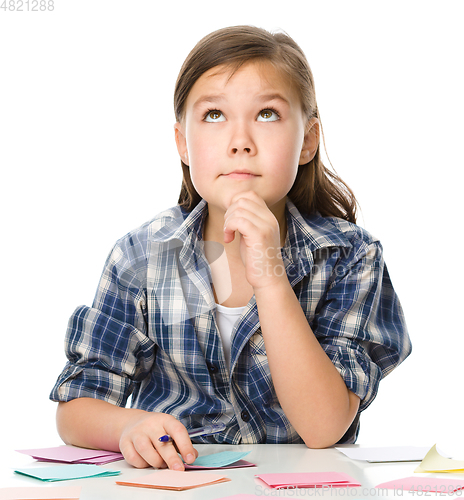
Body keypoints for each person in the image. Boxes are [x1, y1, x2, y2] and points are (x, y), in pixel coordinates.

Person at [50, 25, 412, 471]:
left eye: (267, 114)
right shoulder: (140, 257)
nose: (240, 141)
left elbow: (324, 427)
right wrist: (127, 426)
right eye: (215, 116)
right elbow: (75, 408)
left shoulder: (350, 258)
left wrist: (270, 277)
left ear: (309, 139)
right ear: (183, 142)